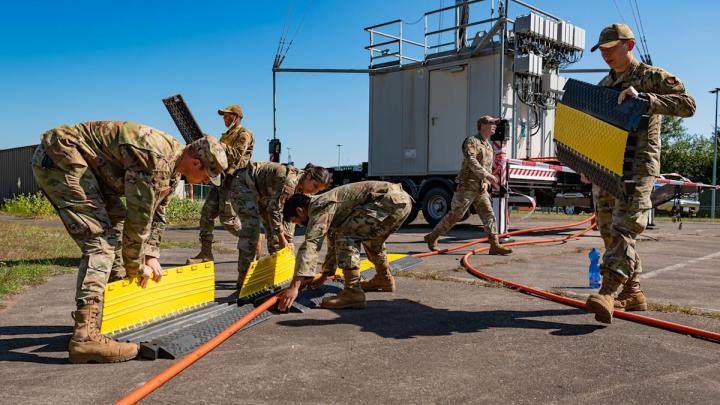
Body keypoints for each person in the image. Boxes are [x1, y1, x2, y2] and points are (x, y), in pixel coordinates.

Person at [32, 121, 228, 363]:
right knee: (100, 243)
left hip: (92, 170)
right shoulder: (156, 161)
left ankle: (110, 315)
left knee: (116, 229)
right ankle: (84, 338)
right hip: (62, 157)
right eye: (208, 176)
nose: (206, 182)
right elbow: (138, 223)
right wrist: (136, 267)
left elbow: (157, 214)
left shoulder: (174, 168)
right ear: (196, 163)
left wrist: (152, 254)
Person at [586, 24, 695, 324]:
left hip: (638, 166)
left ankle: (608, 292)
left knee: (625, 228)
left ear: (629, 44)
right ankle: (633, 292)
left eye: (612, 47)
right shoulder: (604, 84)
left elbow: (689, 105)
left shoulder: (651, 76)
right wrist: (588, 164)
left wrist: (648, 99)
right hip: (607, 167)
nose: (606, 54)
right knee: (609, 232)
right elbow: (598, 126)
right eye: (602, 50)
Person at [277, 181, 413, 311]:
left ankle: (353, 292)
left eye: (296, 221)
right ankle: (384, 278)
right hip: (401, 202)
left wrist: (294, 286)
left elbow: (312, 243)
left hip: (388, 201)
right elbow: (332, 241)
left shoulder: (320, 205)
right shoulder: (325, 206)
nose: (300, 225)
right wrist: (324, 276)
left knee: (347, 235)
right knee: (370, 239)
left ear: (300, 211)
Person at [231, 162, 331, 287]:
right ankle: (243, 281)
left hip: (264, 193)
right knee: (251, 230)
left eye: (318, 190)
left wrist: (287, 240)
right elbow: (274, 211)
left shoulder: (303, 188)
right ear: (309, 176)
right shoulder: (290, 183)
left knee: (280, 237)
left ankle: (277, 274)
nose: (314, 192)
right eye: (315, 186)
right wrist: (282, 237)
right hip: (244, 184)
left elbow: (288, 217)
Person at [424, 116, 512, 255]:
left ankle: (494, 245)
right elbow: (471, 161)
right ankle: (432, 237)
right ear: (482, 126)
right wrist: (486, 176)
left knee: (488, 214)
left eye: (496, 123)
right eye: (492, 123)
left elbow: (487, 167)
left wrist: (485, 182)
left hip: (480, 188)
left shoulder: (488, 146)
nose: (495, 125)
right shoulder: (471, 141)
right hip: (467, 185)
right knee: (456, 215)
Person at [187, 104, 254, 264]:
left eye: (227, 116)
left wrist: (218, 145)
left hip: (234, 181)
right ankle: (206, 253)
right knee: (206, 215)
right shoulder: (226, 135)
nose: (224, 118)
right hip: (220, 180)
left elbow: (237, 156)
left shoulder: (244, 134)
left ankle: (253, 237)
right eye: (223, 116)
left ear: (236, 117)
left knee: (228, 219)